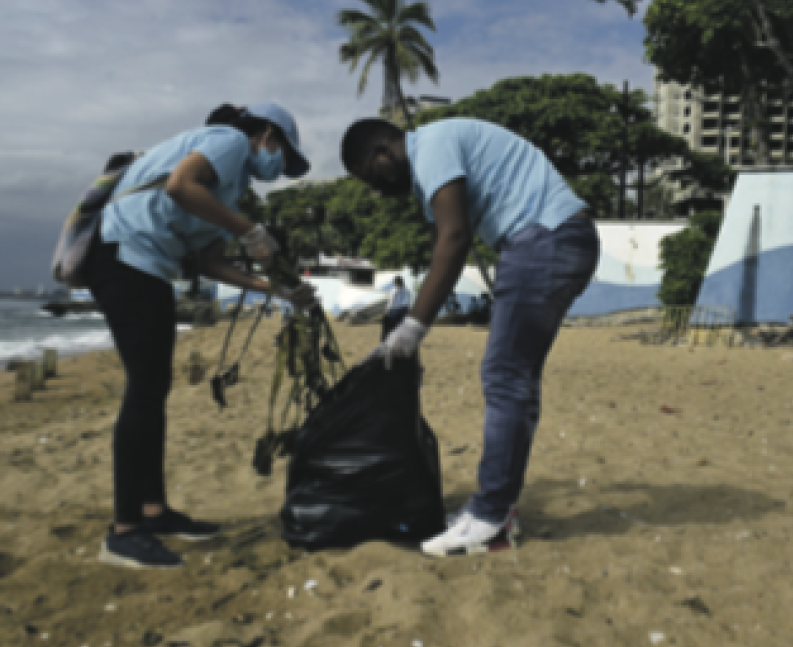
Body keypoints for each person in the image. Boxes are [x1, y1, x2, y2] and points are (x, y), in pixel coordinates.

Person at [341, 117, 600, 557]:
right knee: (517, 377)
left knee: (504, 375)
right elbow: (441, 242)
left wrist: (414, 327)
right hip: (556, 238)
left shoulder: (432, 146)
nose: (379, 189)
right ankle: (499, 506)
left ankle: (491, 516)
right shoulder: (431, 169)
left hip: (544, 240)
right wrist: (410, 320)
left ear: (384, 152)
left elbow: (455, 236)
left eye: (373, 176)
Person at [86, 102, 317, 569]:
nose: (280, 169)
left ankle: (153, 511)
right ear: (268, 134)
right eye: (283, 156)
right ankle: (124, 530)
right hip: (123, 256)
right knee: (145, 389)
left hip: (149, 267)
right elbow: (179, 185)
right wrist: (252, 232)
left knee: (154, 388)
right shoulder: (229, 140)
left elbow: (212, 264)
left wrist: (276, 289)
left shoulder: (230, 194)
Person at [381, 275, 411, 341]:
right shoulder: (406, 290)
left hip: (395, 310)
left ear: (396, 282)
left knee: (390, 327)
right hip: (403, 310)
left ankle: (387, 340)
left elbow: (391, 302)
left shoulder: (394, 291)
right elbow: (408, 302)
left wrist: (386, 311)